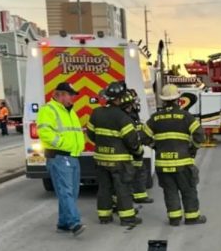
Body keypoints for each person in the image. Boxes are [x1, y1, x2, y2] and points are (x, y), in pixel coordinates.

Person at [144, 84, 207, 226]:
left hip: (162, 164)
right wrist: (192, 149)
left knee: (169, 191)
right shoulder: (185, 116)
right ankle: (192, 217)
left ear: (163, 100)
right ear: (178, 99)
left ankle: (174, 218)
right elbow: (199, 136)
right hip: (182, 162)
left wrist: (155, 146)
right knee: (188, 190)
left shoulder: (156, 118)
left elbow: (143, 135)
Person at [86, 81, 143, 227]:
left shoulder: (97, 113)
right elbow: (132, 142)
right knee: (122, 188)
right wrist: (138, 152)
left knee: (104, 188)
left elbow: (91, 135)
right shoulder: (123, 117)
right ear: (119, 98)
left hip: (100, 159)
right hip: (119, 161)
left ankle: (104, 217)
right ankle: (127, 218)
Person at [37, 82, 86, 236]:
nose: (72, 98)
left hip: (72, 156)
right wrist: (63, 144)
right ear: (59, 94)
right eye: (70, 95)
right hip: (60, 156)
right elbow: (45, 132)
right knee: (66, 192)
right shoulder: (48, 110)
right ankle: (74, 223)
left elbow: (71, 131)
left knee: (72, 192)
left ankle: (63, 223)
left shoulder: (69, 111)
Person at [120, 89, 154, 204]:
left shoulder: (129, 114)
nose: (136, 104)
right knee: (136, 172)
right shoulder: (128, 115)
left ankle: (139, 195)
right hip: (131, 150)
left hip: (133, 149)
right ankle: (137, 196)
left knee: (139, 171)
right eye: (134, 101)